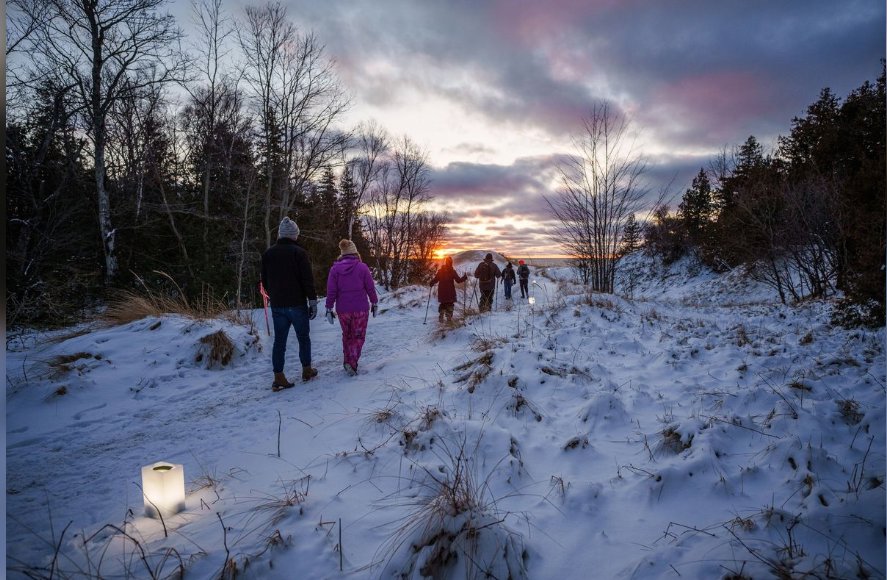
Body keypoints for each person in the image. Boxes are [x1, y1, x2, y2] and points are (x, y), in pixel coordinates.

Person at [261, 217, 319, 390]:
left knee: (279, 341)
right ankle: (307, 370)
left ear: (280, 234)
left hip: (278, 305)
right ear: (294, 235)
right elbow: (307, 279)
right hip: (297, 304)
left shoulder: (268, 254)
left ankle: (278, 376)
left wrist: (274, 296)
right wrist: (313, 301)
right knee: (303, 338)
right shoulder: (299, 253)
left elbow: (264, 280)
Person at [325, 239, 378, 376]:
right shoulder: (363, 267)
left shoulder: (334, 269)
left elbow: (331, 291)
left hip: (343, 310)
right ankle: (352, 363)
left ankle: (347, 361)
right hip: (360, 309)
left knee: (347, 335)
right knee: (358, 336)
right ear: (355, 253)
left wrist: (329, 308)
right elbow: (370, 288)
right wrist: (374, 302)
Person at [430, 256, 467, 323]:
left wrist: (431, 283)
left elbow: (435, 279)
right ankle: (449, 318)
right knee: (450, 304)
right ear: (451, 263)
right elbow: (458, 280)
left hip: (442, 291)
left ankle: (441, 314)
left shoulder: (440, 271)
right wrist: (464, 278)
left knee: (443, 303)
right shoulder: (452, 271)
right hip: (450, 292)